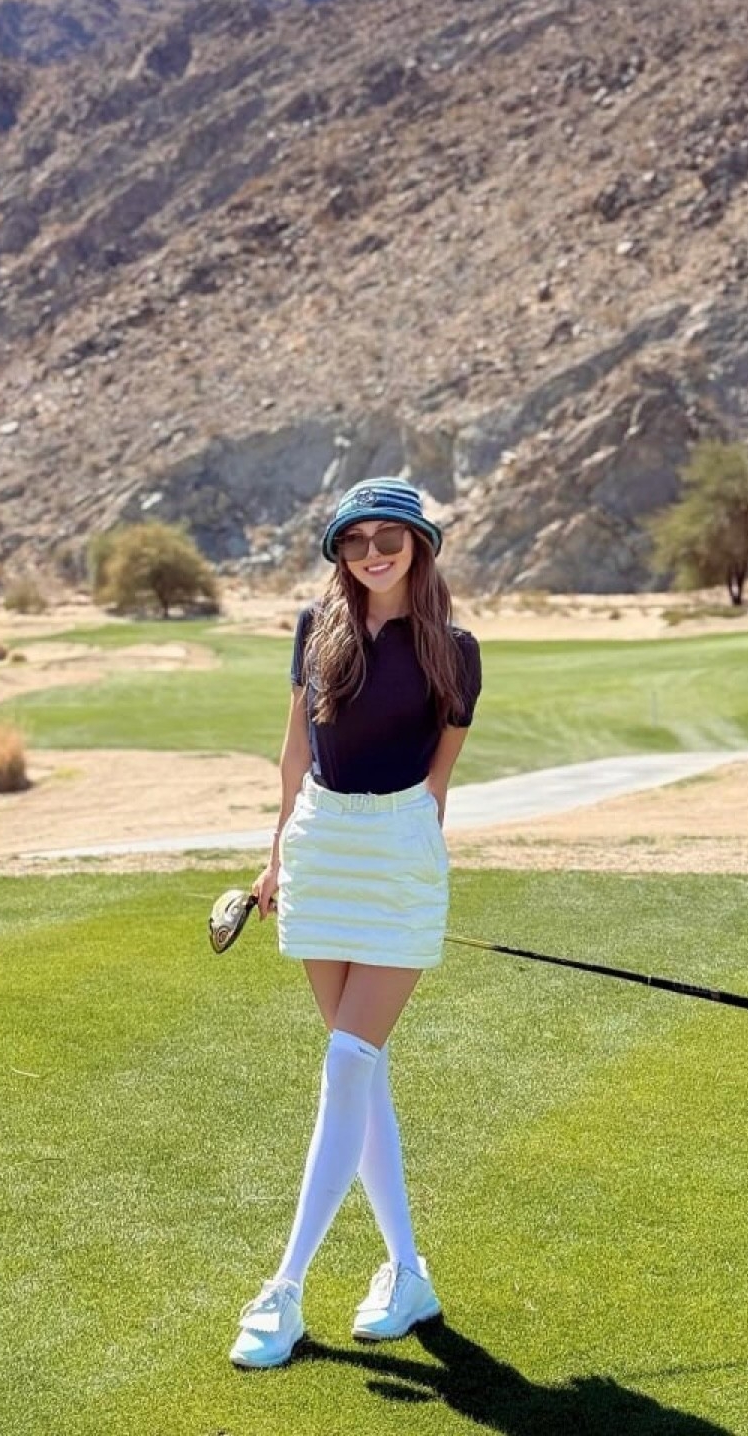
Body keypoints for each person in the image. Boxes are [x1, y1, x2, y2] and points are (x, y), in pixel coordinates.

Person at [228, 478, 483, 1370]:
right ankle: (408, 1273)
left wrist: (416, 872)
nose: (372, 553)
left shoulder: (456, 651)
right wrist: (275, 858)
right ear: (340, 550)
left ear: (420, 546)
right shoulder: (317, 627)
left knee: (347, 1061)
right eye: (355, 540)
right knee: (359, 1072)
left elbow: (439, 784)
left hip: (397, 852)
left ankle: (286, 1287)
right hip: (321, 848)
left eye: (389, 538)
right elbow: (295, 754)